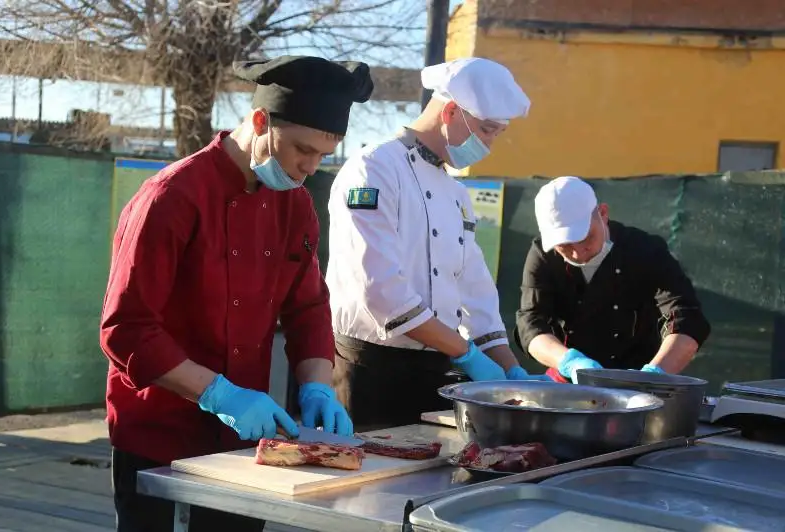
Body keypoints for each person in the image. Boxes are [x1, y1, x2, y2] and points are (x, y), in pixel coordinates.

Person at [99, 55, 373, 532]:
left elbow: (308, 306)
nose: (310, 167)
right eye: (301, 149)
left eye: (324, 155)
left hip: (245, 441)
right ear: (261, 121)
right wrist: (219, 394)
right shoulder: (171, 197)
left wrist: (316, 384)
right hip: (158, 431)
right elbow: (126, 330)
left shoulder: (296, 205)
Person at [325, 57, 549, 431]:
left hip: (435, 371)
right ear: (449, 112)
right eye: (487, 130)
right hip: (370, 373)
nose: (490, 144)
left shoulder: (456, 192)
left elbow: (474, 290)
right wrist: (468, 355)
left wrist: (510, 368)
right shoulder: (373, 169)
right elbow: (380, 291)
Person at [515, 175, 711, 383]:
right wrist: (569, 362)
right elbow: (531, 323)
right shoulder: (543, 256)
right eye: (564, 245)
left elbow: (686, 318)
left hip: (642, 380)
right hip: (568, 382)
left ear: (603, 213)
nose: (577, 252)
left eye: (585, 237)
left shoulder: (645, 249)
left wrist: (655, 376)